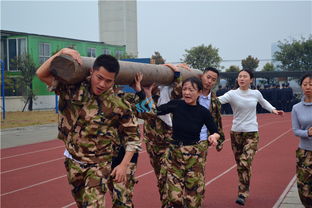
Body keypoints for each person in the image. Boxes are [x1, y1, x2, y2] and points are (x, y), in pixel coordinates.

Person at [36, 48, 141, 208]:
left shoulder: (119, 105)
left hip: (99, 165)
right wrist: (60, 53)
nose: (102, 84)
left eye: (108, 81)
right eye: (99, 78)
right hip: (73, 162)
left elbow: (133, 138)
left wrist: (123, 165)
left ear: (114, 81)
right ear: (91, 71)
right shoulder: (72, 89)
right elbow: (41, 74)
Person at [144, 76, 220, 208]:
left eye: (191, 90)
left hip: (194, 157)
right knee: (174, 198)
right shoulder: (177, 104)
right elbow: (153, 111)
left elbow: (215, 131)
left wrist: (214, 136)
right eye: (184, 89)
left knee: (193, 200)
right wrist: (146, 93)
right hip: (175, 155)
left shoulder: (203, 112)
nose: (187, 93)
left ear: (199, 92)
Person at [218, 69, 284, 206]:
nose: (241, 78)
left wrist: (273, 110)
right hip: (236, 133)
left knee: (244, 162)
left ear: (251, 79)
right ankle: (244, 189)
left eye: (245, 76)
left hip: (252, 132)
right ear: (237, 79)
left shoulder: (255, 93)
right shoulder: (232, 94)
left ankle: (243, 193)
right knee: (240, 165)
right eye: (240, 76)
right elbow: (216, 101)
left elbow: (263, 102)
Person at [291, 73, 312, 208]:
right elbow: (295, 130)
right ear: (301, 87)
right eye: (305, 84)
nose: (308, 87)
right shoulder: (296, 108)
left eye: (311, 84)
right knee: (304, 189)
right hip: (305, 153)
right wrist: (307, 133)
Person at [199, 67, 225, 152]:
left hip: (203, 139)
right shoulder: (189, 94)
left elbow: (218, 120)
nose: (210, 81)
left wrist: (218, 137)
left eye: (213, 80)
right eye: (208, 77)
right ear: (202, 76)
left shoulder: (215, 101)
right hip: (185, 138)